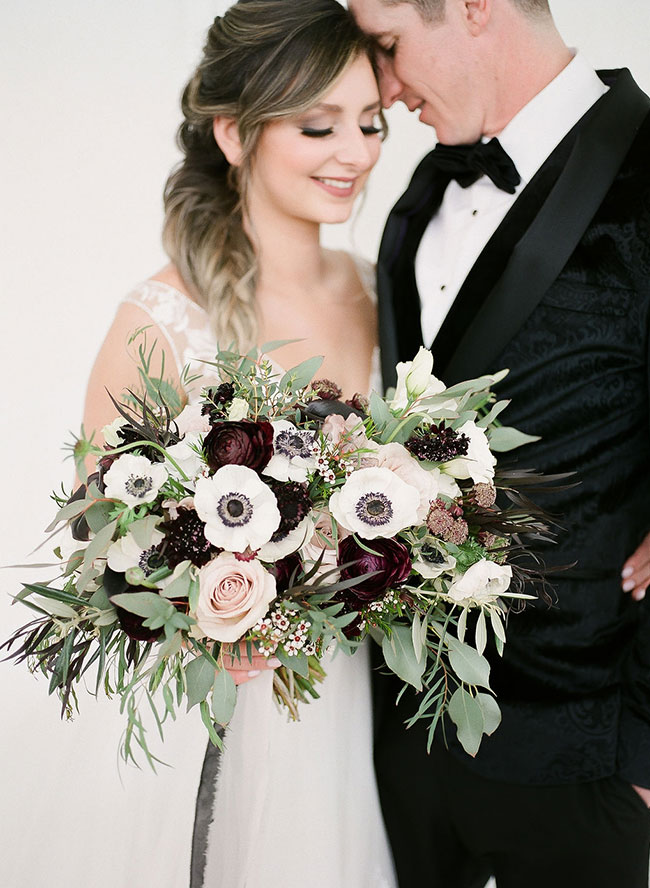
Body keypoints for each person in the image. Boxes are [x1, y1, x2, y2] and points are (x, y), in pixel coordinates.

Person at [82, 2, 397, 886]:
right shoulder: (163, 317)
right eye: (318, 125)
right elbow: (98, 533)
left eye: (370, 123)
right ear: (233, 133)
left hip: (364, 715)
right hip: (228, 717)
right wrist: (200, 618)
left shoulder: (385, 294)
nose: (359, 153)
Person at [347, 0, 650, 886]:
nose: (387, 87)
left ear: (475, 8)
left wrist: (639, 763)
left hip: (582, 755)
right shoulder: (422, 190)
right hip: (404, 734)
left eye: (390, 47)